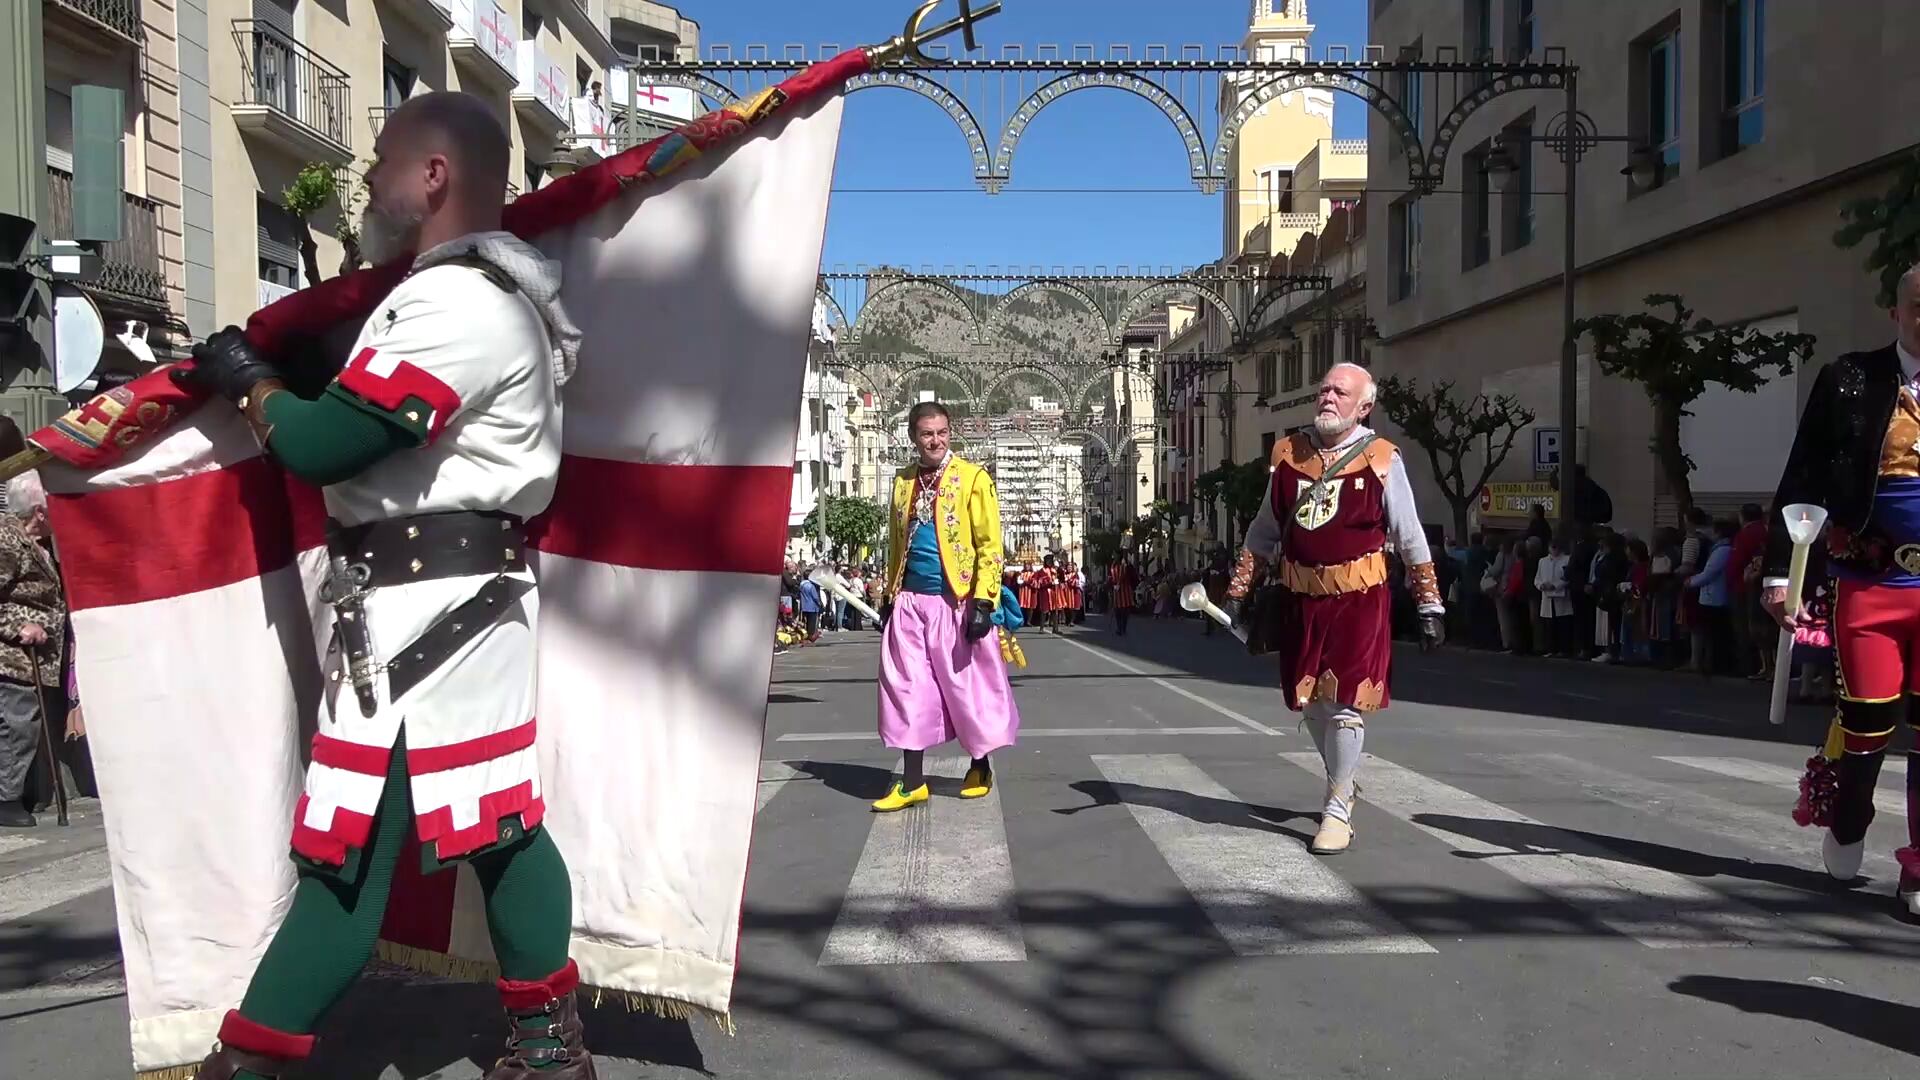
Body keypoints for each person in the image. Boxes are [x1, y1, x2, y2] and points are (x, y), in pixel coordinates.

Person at [176, 92, 595, 1078]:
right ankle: (545, 1049)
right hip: (451, 599)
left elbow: (323, 446)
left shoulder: (453, 302)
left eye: (380, 160)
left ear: (433, 176)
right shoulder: (485, 298)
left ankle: (255, 1060)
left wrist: (250, 380)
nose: (366, 178)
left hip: (426, 609)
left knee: (350, 844)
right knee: (497, 824)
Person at [1227, 363, 1444, 856]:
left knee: (1345, 701)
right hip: (1300, 597)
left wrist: (1429, 601)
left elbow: (1409, 535)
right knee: (1312, 704)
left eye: (1339, 392)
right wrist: (1239, 588)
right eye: (1324, 389)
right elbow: (1264, 528)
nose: (1327, 397)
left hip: (1360, 599)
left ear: (1363, 406)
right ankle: (1342, 782)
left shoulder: (1383, 459)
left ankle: (1338, 807)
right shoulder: (1289, 455)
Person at [1763, 263, 1920, 910]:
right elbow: (1802, 476)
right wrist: (1779, 570)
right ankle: (1849, 819)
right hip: (1872, 581)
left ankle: (1918, 867)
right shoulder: (1850, 378)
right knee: (1866, 726)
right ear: (1896, 310)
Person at [872, 401, 1020, 812]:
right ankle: (912, 781)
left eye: (941, 432)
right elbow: (895, 545)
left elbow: (990, 545)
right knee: (907, 689)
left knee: (964, 689)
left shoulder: (974, 479)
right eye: (926, 433)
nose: (935, 440)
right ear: (912, 437)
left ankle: (979, 764)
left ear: (950, 433)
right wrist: (890, 595)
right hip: (909, 603)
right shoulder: (902, 483)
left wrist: (984, 601)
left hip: (956, 603)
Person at [0, 472, 64, 829]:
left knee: (22, 726)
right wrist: (18, 625)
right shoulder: (6, 538)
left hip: (32, 661)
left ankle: (13, 795)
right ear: (40, 510)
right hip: (12, 656)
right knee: (16, 727)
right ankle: (6, 799)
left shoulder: (38, 542)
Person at [1687, 519, 1738, 676]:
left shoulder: (1722, 550)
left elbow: (1710, 572)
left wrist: (1691, 581)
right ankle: (1711, 662)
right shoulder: (1724, 548)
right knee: (1713, 633)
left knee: (1713, 634)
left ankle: (1713, 664)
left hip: (1713, 598)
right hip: (1716, 596)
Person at [1535, 535, 1575, 658]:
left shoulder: (1567, 560)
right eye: (1552, 548)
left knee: (1562, 624)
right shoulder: (1542, 561)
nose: (1554, 550)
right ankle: (1551, 649)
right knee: (1550, 624)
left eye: (1556, 548)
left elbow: (1568, 578)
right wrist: (1541, 585)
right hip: (1547, 596)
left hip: (1561, 596)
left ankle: (1564, 649)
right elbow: (1537, 578)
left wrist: (1556, 586)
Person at [1109, 556, 1138, 636]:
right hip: (1117, 591)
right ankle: (1119, 627)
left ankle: (1123, 627)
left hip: (1126, 591)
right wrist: (1112, 584)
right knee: (1117, 611)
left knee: (1125, 611)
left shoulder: (1127, 566)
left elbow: (1133, 577)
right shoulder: (1112, 566)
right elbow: (1110, 578)